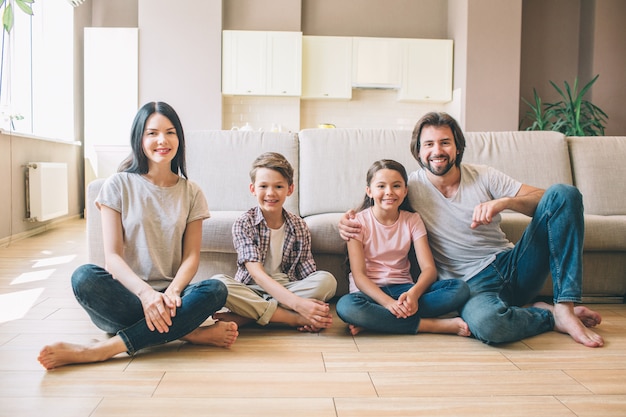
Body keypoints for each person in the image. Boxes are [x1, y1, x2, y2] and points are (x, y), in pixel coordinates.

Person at [339, 112, 604, 348]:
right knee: (490, 327)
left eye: (445, 142)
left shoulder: (484, 175)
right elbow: (378, 206)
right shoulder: (410, 186)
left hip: (512, 264)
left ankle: (565, 307)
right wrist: (346, 223)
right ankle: (548, 316)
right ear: (418, 152)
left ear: (457, 147)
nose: (437, 150)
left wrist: (506, 202)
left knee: (565, 193)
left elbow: (551, 203)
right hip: (471, 285)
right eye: (428, 144)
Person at [38, 102, 239, 370]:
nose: (162, 140)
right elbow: (112, 258)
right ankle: (189, 332)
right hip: (126, 296)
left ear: (179, 137)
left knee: (216, 289)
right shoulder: (118, 184)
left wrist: (172, 292)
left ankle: (103, 350)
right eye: (152, 133)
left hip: (172, 298)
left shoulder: (191, 192)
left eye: (170, 132)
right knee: (83, 277)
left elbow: (191, 256)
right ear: (139, 138)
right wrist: (146, 295)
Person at [335, 159, 470, 336]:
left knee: (459, 289)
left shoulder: (412, 220)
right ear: (369, 191)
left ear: (405, 190)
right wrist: (387, 304)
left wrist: (413, 295)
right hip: (369, 295)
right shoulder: (356, 223)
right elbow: (359, 277)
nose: (389, 192)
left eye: (396, 186)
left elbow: (429, 269)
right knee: (346, 307)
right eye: (381, 186)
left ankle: (376, 322)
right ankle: (429, 325)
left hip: (404, 290)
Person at [213, 152, 337, 332]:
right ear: (253, 189)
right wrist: (299, 305)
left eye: (278, 186)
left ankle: (246, 316)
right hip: (252, 289)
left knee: (327, 281)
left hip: (287, 285)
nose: (271, 193)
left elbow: (307, 273)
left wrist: (305, 298)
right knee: (218, 283)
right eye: (263, 186)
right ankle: (292, 318)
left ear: (290, 189)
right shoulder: (244, 223)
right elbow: (256, 274)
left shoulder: (298, 226)